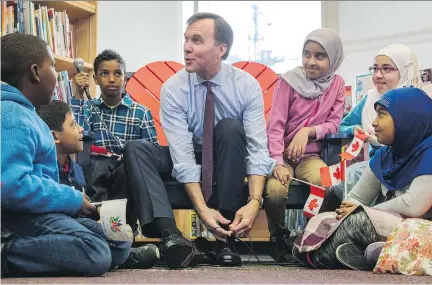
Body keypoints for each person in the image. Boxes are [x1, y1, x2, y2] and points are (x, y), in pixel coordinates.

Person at [121, 12, 276, 268]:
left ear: (221, 49)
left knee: (229, 128)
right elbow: (181, 155)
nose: (187, 47)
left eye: (197, 40)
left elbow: (258, 150)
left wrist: (254, 203)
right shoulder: (173, 88)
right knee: (136, 149)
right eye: (186, 39)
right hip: (190, 153)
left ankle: (226, 238)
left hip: (226, 154)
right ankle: (172, 238)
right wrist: (202, 211)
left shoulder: (246, 86)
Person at [1, 33, 130, 277]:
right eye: (54, 66)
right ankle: (8, 253)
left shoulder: (27, 114)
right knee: (95, 251)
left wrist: (70, 202)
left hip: (37, 212)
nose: (56, 74)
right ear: (36, 73)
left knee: (118, 238)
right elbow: (10, 187)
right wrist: (70, 198)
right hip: (15, 217)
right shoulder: (11, 116)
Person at [294, 87, 432, 271]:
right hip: (387, 224)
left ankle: (319, 255)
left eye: (382, 115)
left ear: (407, 119)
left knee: (357, 221)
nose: (374, 123)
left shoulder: (429, 152)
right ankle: (372, 254)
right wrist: (348, 210)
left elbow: (414, 205)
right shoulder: (385, 155)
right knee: (322, 220)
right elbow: (356, 198)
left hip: (420, 230)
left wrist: (361, 210)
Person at [35, 100, 160, 270]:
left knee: (120, 238)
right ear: (55, 136)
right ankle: (121, 257)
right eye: (73, 125)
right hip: (57, 224)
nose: (81, 129)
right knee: (110, 243)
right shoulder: (43, 168)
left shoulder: (76, 170)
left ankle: (116, 254)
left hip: (76, 223)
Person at [264, 28, 346, 262]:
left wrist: (308, 131)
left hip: (310, 157)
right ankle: (277, 238)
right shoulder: (288, 81)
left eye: (320, 56)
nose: (311, 61)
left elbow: (334, 122)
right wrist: (277, 162)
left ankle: (311, 236)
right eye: (306, 54)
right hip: (282, 156)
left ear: (333, 58)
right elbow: (275, 127)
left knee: (326, 183)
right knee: (275, 190)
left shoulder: (337, 84)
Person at [331, 44, 424, 202]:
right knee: (340, 182)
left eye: (386, 69)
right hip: (375, 168)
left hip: (412, 171)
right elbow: (342, 126)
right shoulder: (369, 99)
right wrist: (355, 129)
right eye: (375, 69)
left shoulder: (419, 103)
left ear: (405, 70)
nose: (377, 75)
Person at [72, 49, 158, 201]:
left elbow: (152, 154)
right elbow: (75, 137)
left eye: (117, 74)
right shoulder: (89, 108)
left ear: (125, 79)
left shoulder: (141, 112)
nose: (111, 79)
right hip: (96, 176)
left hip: (127, 176)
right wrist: (79, 94)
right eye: (104, 74)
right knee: (96, 165)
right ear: (95, 79)